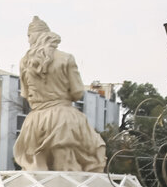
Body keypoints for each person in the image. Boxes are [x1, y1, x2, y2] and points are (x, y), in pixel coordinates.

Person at [13, 16, 106, 172]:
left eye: (29, 37)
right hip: (64, 119)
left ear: (34, 36)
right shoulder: (66, 58)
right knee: (69, 172)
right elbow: (77, 93)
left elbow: (26, 94)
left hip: (35, 121)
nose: (28, 41)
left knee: (37, 174)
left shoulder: (24, 63)